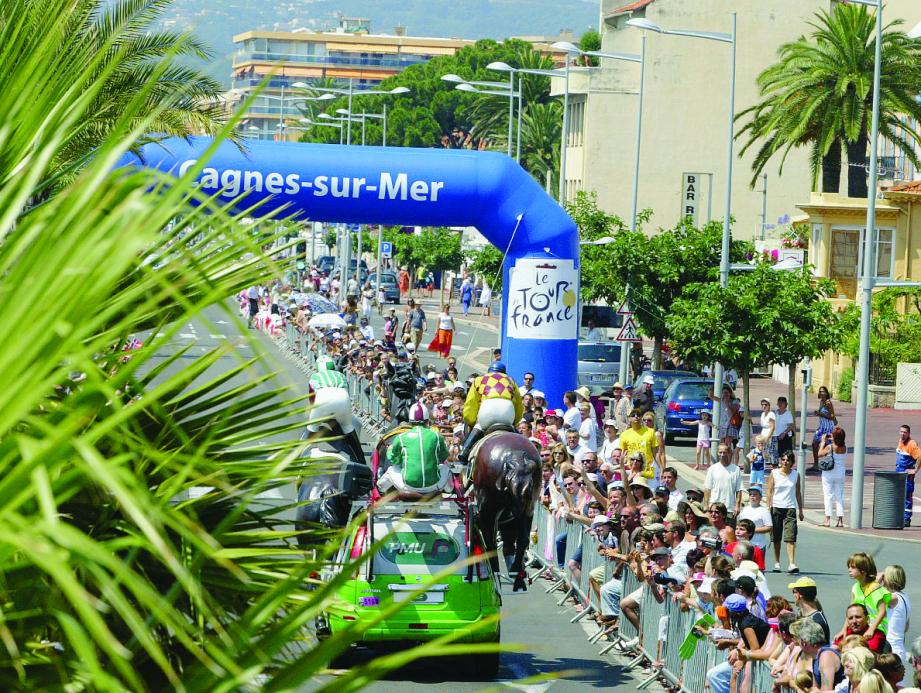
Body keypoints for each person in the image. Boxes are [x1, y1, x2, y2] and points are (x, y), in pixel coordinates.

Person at [378, 402, 452, 496]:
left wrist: (390, 449)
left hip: (408, 487)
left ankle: (381, 490)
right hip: (434, 486)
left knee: (392, 469)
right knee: (445, 467)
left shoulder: (401, 437)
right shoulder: (437, 436)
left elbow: (395, 460)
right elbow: (443, 458)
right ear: (427, 420)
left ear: (410, 421)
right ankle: (449, 490)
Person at [458, 361, 523, 465]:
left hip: (487, 412)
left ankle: (464, 452)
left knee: (479, 426)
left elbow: (470, 404)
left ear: (489, 371)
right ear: (504, 372)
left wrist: (471, 420)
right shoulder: (511, 381)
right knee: (515, 434)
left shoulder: (479, 380)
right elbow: (519, 405)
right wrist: (514, 422)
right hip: (508, 413)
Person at [306, 356, 363, 464]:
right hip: (342, 399)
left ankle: (297, 458)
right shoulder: (341, 375)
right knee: (348, 428)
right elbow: (346, 394)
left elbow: (312, 399)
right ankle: (361, 460)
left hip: (323, 399)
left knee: (311, 428)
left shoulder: (314, 377)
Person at [766, 451, 803, 574]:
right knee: (776, 537)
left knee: (790, 536)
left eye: (788, 460)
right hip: (776, 507)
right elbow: (769, 491)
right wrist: (767, 507)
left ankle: (792, 563)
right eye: (783, 459)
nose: (785, 462)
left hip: (790, 508)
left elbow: (798, 493)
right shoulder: (774, 473)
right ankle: (777, 562)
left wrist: (801, 510)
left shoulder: (796, 475)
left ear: (792, 462)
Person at [842, 552, 890, 643]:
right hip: (861, 625)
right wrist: (844, 629)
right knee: (840, 643)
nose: (849, 570)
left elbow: (882, 611)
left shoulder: (875, 588)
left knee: (868, 648)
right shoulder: (855, 587)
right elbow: (851, 611)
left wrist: (871, 629)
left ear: (863, 571)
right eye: (849, 567)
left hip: (877, 628)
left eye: (853, 567)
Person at [879, 564, 911, 666]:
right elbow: (905, 627)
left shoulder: (893, 598)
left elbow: (873, 598)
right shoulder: (905, 597)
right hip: (899, 648)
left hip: (890, 648)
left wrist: (875, 582)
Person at [817, 426, 848, 527]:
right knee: (839, 496)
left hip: (829, 473)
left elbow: (820, 454)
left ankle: (827, 519)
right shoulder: (844, 448)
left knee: (828, 495)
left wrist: (823, 442)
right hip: (840, 473)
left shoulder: (830, 447)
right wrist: (833, 439)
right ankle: (840, 520)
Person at [704, 443, 743, 514]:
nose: (722, 455)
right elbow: (707, 488)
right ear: (718, 453)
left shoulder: (736, 469)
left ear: (729, 453)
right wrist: (706, 505)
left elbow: (739, 490)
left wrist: (737, 506)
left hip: (730, 509)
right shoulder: (712, 469)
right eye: (720, 452)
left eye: (724, 452)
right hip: (714, 508)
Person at [619, 409, 657, 480]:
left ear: (641, 418)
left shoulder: (650, 432)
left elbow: (656, 453)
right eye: (633, 415)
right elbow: (622, 454)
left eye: (638, 415)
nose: (636, 417)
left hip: (647, 471)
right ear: (629, 419)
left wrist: (661, 469)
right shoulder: (624, 434)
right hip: (632, 471)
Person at [896, 424, 921, 526]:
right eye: (901, 431)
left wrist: (915, 470)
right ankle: (900, 516)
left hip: (907, 475)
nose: (902, 434)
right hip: (899, 473)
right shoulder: (900, 442)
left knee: (907, 496)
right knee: (899, 496)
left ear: (908, 434)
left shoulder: (912, 444)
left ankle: (907, 519)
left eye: (905, 432)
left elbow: (920, 457)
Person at [738, 486, 773, 555]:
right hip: (744, 545)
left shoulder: (764, 511)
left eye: (755, 494)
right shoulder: (745, 509)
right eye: (750, 494)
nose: (752, 496)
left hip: (758, 546)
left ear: (760, 497)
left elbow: (769, 527)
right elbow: (740, 524)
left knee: (758, 566)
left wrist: (751, 530)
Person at [774, 396, 796, 460]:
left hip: (785, 436)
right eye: (779, 402)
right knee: (778, 453)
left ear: (786, 404)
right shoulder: (775, 413)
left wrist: (784, 433)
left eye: (782, 402)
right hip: (777, 436)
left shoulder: (788, 413)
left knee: (786, 454)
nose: (780, 404)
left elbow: (791, 425)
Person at [758, 399, 777, 467]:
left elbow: (772, 427)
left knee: (772, 456)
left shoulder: (771, 414)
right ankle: (764, 469)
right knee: (764, 454)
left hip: (770, 437)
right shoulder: (762, 414)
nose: (764, 406)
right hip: (763, 436)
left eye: (765, 405)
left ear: (769, 405)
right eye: (762, 405)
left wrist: (767, 438)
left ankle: (774, 471)